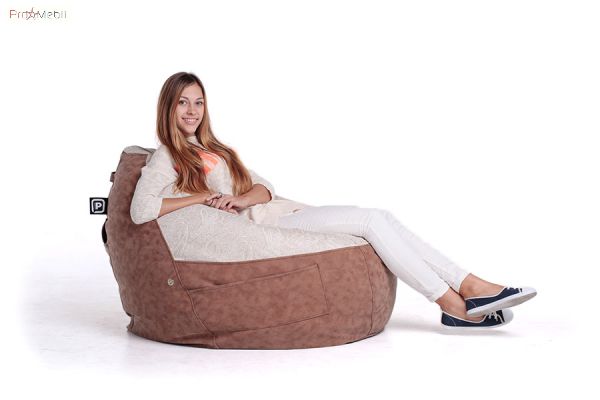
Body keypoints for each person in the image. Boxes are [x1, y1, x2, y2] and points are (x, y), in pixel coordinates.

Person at [131, 71, 537, 331]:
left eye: (198, 102)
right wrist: (202, 196)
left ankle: (468, 287)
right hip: (267, 228)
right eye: (183, 102)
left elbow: (265, 186)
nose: (192, 110)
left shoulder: (214, 147)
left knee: (378, 217)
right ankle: (456, 302)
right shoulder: (168, 156)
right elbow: (141, 210)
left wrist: (239, 198)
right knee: (370, 221)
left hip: (280, 210)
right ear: (169, 107)